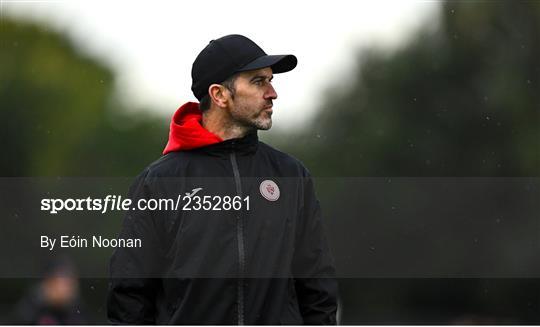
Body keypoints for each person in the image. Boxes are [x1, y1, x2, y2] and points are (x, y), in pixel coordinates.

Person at [107, 34, 338, 325]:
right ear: (219, 95)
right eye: (258, 81)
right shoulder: (159, 182)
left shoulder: (292, 175)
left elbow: (316, 284)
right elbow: (130, 295)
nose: (272, 93)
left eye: (270, 80)